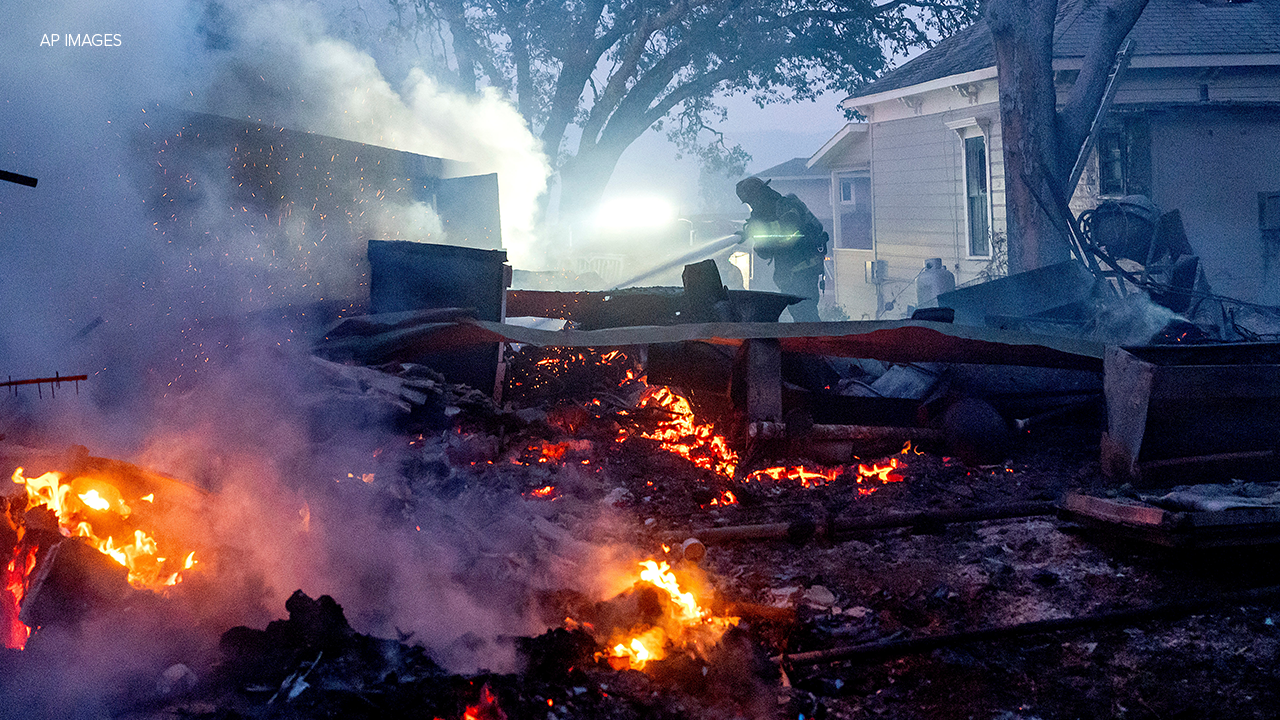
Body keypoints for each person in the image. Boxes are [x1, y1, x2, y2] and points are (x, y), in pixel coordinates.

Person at [736, 176, 828, 322]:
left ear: (762, 194)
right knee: (799, 314)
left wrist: (759, 230)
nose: (752, 206)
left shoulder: (787, 204)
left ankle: (818, 343)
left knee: (805, 313)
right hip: (790, 275)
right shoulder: (764, 215)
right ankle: (811, 342)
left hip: (804, 269)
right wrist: (754, 238)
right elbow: (767, 249)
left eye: (752, 201)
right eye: (749, 203)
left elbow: (790, 229)